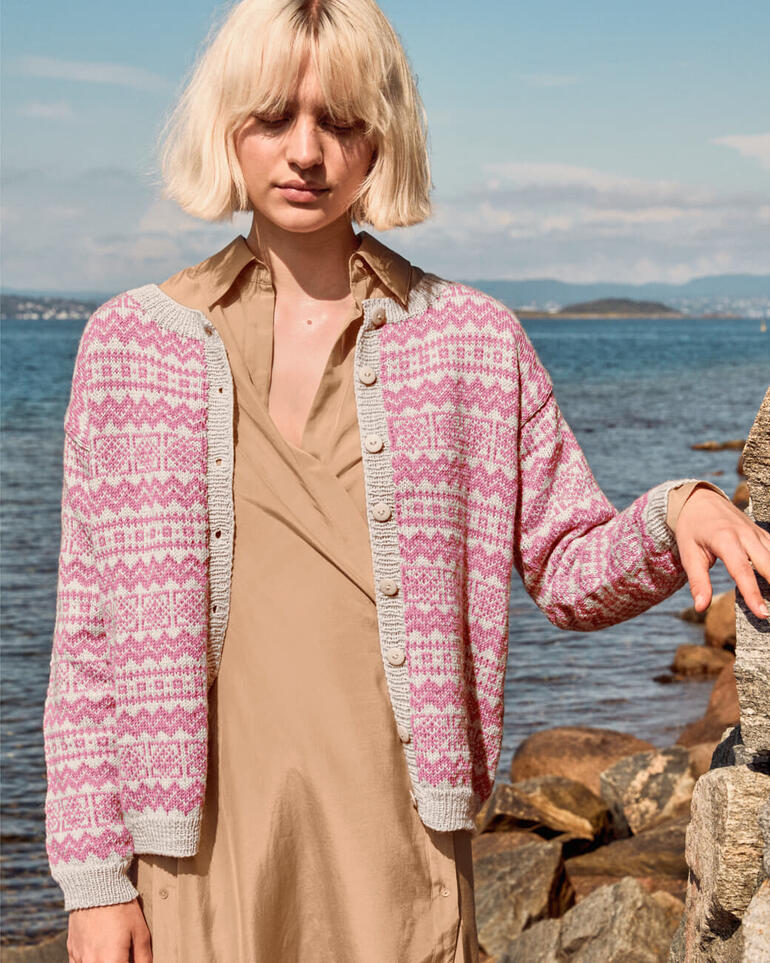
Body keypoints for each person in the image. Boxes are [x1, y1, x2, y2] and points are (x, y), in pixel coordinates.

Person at [43, 1, 770, 961]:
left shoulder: (469, 339)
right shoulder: (129, 345)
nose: (306, 151)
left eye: (339, 120)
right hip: (193, 859)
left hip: (398, 845)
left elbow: (563, 562)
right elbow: (87, 636)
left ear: (383, 137)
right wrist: (95, 879)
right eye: (273, 116)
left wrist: (681, 504)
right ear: (227, 126)